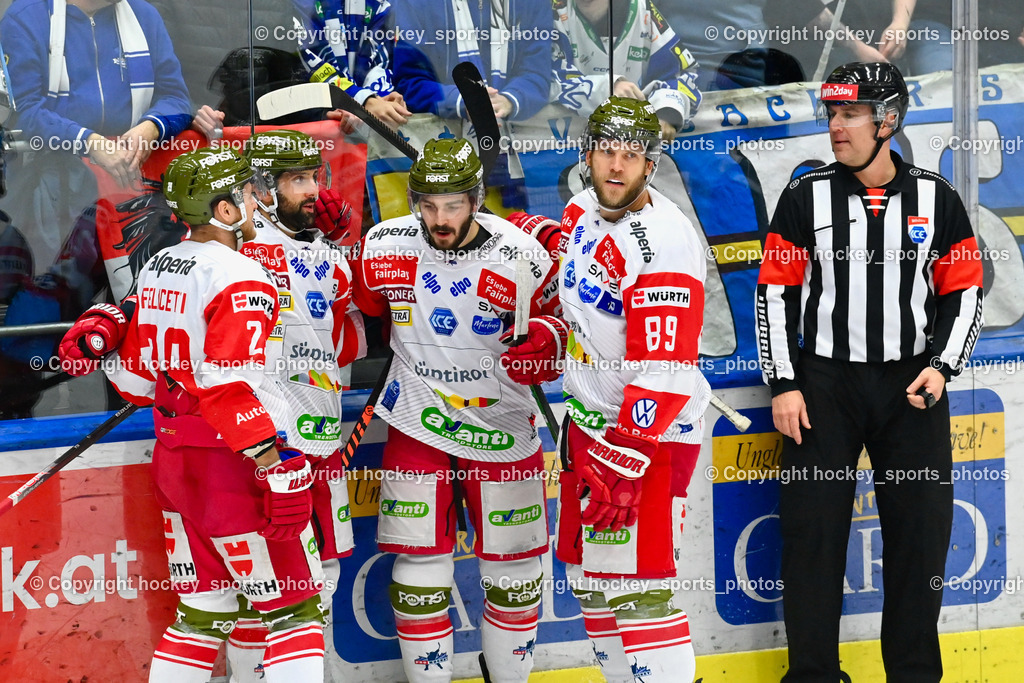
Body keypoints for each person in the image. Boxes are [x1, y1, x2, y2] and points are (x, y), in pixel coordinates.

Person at [59, 147, 328, 682]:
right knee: (295, 614)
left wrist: (107, 339)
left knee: (201, 618)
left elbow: (136, 385)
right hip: (235, 466)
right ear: (225, 211)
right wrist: (275, 462)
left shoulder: (159, 265)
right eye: (249, 194)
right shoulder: (242, 276)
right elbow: (227, 388)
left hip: (176, 465)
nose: (258, 201)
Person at [755, 62, 984, 682]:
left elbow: (964, 291)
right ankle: (812, 676)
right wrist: (784, 382)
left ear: (889, 121)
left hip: (911, 389)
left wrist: (943, 366)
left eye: (850, 114)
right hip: (823, 386)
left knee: (919, 542)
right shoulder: (805, 197)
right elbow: (775, 292)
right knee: (811, 540)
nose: (836, 126)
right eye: (831, 114)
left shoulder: (938, 198)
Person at [348, 137, 563, 682]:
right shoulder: (383, 244)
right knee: (419, 570)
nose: (438, 219)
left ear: (475, 199)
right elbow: (354, 311)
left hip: (503, 425)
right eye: (427, 205)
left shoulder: (524, 253)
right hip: (416, 419)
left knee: (514, 571)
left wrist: (549, 340)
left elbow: (572, 330)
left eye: (452, 205)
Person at [550, 96, 709, 683]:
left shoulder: (664, 239)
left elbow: (665, 367)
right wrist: (548, 333)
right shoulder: (579, 211)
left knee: (639, 592)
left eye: (632, 155)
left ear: (651, 164)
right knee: (593, 588)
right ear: (587, 155)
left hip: (648, 432)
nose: (616, 167)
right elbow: (577, 308)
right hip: (589, 424)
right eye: (606, 152)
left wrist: (628, 451)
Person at [224, 129, 365, 681]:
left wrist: (339, 247)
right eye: (297, 180)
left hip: (322, 442)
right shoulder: (239, 252)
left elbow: (351, 339)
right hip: (266, 451)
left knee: (323, 573)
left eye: (315, 178)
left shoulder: (325, 254)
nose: (313, 191)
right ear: (260, 189)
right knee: (260, 591)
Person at [551, 0, 702, 140]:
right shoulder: (549, 11)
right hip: (568, 151)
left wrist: (666, 109)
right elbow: (543, 79)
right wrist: (608, 89)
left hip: (632, 150)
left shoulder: (642, 9)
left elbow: (684, 76)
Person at [389, 0, 552, 121]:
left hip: (517, 147)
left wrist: (508, 100)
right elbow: (409, 82)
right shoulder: (414, 3)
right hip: (442, 147)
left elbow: (537, 72)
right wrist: (461, 100)